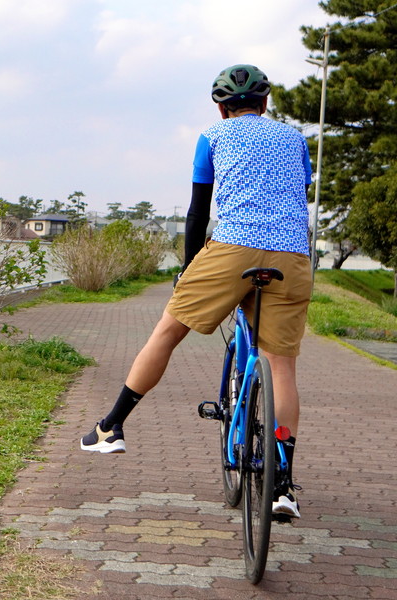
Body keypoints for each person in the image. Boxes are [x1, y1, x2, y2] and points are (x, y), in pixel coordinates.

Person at [80, 64, 312, 519]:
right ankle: (282, 486)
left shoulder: (212, 136)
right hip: (291, 256)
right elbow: (295, 196)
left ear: (222, 109)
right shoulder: (295, 139)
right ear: (265, 103)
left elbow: (197, 212)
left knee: (167, 332)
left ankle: (111, 427)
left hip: (231, 249)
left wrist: (188, 270)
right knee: (282, 366)